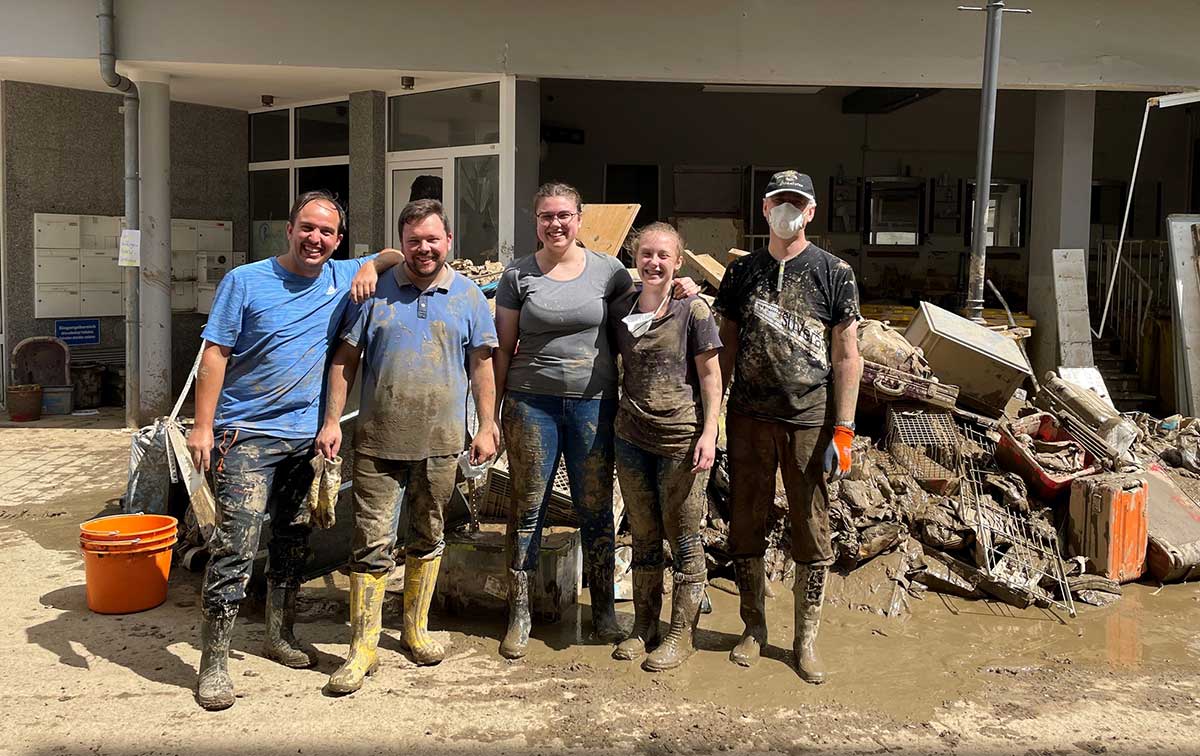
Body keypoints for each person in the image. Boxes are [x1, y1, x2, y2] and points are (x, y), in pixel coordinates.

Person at [186, 190, 401, 711]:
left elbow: (396, 254)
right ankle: (213, 660)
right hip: (246, 436)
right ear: (289, 229)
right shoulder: (246, 281)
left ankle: (278, 636)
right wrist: (202, 427)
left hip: (305, 440)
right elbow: (214, 353)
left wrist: (373, 262)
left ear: (339, 239)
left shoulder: (339, 275)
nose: (316, 239)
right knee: (235, 548)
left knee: (292, 541)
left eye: (327, 232)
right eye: (307, 228)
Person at [492, 182, 698, 659]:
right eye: (546, 216)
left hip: (594, 404)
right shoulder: (517, 275)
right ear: (536, 221)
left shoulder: (608, 272)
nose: (555, 224)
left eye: (564, 215)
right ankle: (518, 614)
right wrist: (493, 415)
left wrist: (685, 288)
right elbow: (502, 349)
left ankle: (603, 610)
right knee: (527, 509)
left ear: (580, 219)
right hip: (530, 403)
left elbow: (650, 303)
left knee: (595, 507)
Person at [315, 199, 499, 694]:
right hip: (378, 441)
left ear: (449, 242)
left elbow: (482, 366)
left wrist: (487, 425)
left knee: (428, 533)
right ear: (402, 242)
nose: (424, 249)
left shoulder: (469, 298)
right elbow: (343, 362)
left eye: (432, 239)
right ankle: (363, 648)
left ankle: (416, 630)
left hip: (441, 444)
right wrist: (333, 421)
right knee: (372, 542)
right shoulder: (374, 293)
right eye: (414, 240)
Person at [713, 170, 862, 685]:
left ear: (811, 212)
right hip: (748, 419)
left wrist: (843, 429)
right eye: (779, 201)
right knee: (746, 522)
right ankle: (753, 628)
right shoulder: (741, 273)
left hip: (809, 422)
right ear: (765, 207)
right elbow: (725, 349)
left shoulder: (833, 272)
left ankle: (805, 640)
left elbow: (848, 355)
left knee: (811, 527)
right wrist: (713, 417)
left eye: (796, 203)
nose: (787, 210)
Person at [608, 223, 722, 672]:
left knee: (686, 538)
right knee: (643, 535)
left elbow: (712, 379)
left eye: (663, 256)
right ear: (635, 257)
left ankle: (681, 634)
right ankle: (643, 626)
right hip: (632, 437)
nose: (653, 263)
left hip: (681, 440)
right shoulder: (622, 308)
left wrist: (710, 433)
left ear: (678, 260)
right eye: (646, 254)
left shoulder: (692, 310)